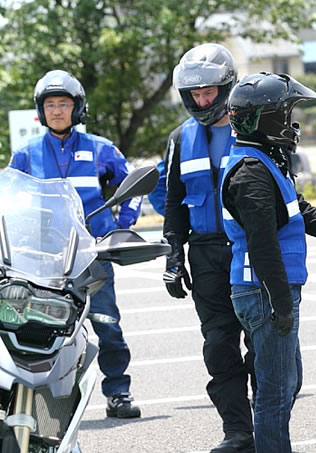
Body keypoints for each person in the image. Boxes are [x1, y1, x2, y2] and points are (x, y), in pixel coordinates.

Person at [221, 72, 316, 453]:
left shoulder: (263, 161)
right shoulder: (250, 173)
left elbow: (298, 211)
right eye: (286, 114)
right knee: (275, 392)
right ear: (265, 118)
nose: (293, 124)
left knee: (288, 382)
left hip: (268, 292)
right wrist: (281, 305)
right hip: (263, 292)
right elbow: (263, 246)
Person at [9, 70, 143, 418]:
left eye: (63, 104)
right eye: (49, 104)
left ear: (77, 108)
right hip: (42, 261)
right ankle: (37, 403)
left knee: (106, 322)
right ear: (41, 110)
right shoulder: (25, 155)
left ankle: (119, 392)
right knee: (37, 327)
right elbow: (8, 201)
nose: (56, 111)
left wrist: (120, 228)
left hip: (90, 258)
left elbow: (132, 188)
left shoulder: (100, 148)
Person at [161, 43, 257, 453]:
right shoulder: (180, 139)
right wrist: (173, 255)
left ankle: (268, 421)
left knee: (263, 344)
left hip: (251, 249)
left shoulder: (254, 127)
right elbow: (173, 202)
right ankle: (237, 431)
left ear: (227, 88)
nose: (202, 101)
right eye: (194, 94)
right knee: (219, 346)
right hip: (204, 253)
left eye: (209, 93)